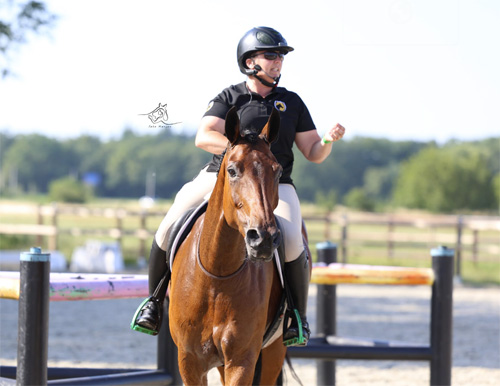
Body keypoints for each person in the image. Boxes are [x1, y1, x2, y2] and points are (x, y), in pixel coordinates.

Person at [132, 26, 345, 346]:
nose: (278, 63)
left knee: (290, 240)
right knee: (168, 226)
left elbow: (313, 152)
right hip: (221, 176)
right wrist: (240, 155)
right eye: (271, 56)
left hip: (275, 183)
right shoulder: (229, 97)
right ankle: (154, 303)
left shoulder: (292, 102)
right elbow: (204, 136)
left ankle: (296, 316)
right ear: (250, 62)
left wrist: (329, 139)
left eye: (281, 57)